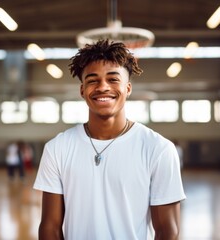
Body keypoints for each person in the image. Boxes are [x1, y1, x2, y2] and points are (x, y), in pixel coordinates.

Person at [33, 39, 186, 239]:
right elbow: (49, 226)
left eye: (113, 79)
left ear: (128, 88)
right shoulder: (57, 148)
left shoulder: (158, 149)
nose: (102, 87)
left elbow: (168, 229)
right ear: (82, 90)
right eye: (92, 80)